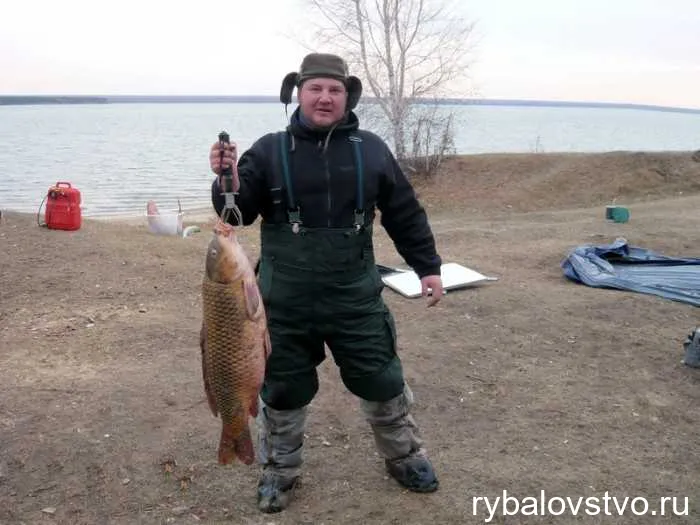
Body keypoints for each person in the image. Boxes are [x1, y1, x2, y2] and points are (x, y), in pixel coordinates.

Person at [208, 52, 445, 514]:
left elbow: (404, 212)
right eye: (315, 88)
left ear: (346, 96)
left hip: (354, 296)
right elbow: (237, 213)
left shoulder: (371, 148)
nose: (324, 97)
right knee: (282, 388)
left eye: (334, 90)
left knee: (382, 378)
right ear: (299, 93)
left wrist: (428, 265)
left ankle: (405, 457)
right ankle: (278, 470)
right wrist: (226, 180)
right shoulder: (269, 149)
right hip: (284, 301)